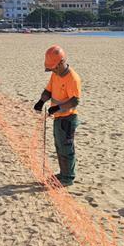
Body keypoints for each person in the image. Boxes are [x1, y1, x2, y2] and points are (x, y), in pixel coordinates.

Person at [33, 45, 81, 186]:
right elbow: (48, 91)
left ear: (61, 62)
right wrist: (41, 101)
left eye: (54, 67)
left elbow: (74, 101)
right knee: (59, 146)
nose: (52, 70)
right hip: (58, 117)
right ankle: (63, 173)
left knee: (66, 148)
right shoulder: (55, 74)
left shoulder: (73, 78)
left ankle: (68, 178)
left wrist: (58, 107)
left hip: (68, 118)